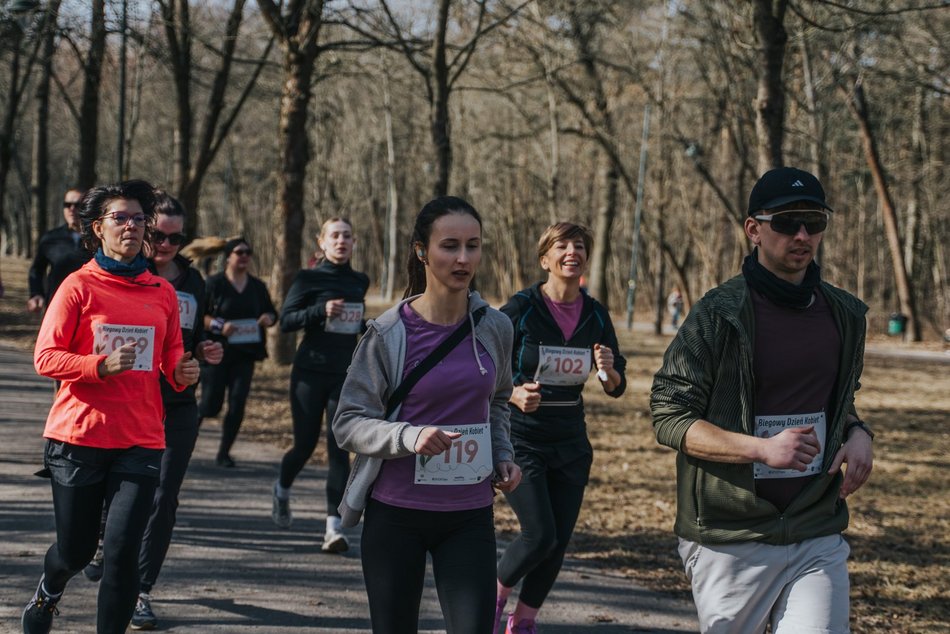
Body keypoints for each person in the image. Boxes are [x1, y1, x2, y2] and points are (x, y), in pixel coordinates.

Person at [650, 166, 874, 634]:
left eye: (814, 222)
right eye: (788, 221)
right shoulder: (718, 314)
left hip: (815, 526)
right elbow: (669, 415)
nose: (802, 234)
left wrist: (857, 432)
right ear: (754, 229)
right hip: (732, 534)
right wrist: (762, 449)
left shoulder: (845, 314)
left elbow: (840, 401)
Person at [333, 196, 522, 634]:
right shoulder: (388, 334)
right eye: (449, 246)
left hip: (470, 514)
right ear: (422, 251)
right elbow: (348, 422)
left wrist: (502, 455)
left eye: (472, 246)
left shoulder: (496, 328)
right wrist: (408, 437)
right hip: (397, 514)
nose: (462, 258)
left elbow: (498, 400)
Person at [21, 180, 200, 634]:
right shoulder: (77, 286)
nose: (132, 227)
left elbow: (172, 360)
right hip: (80, 435)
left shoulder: (161, 292)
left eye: (139, 219)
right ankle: (48, 591)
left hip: (140, 438)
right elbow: (46, 357)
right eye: (120, 218)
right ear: (97, 228)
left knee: (121, 554)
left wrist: (184, 371)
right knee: (77, 551)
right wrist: (99, 365)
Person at [494, 222, 627, 634]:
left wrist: (607, 372)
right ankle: (489, 605)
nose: (573, 251)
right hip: (522, 438)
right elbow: (481, 363)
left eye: (581, 245)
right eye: (562, 245)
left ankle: (524, 622)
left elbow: (616, 384)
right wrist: (512, 393)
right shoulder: (521, 308)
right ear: (545, 259)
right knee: (539, 534)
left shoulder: (595, 313)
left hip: (571, 441)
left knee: (557, 542)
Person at [128, 193, 224, 630]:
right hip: (129, 400)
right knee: (122, 495)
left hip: (179, 399)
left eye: (176, 237)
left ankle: (140, 589)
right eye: (159, 234)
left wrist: (205, 351)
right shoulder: (127, 276)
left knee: (163, 496)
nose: (166, 244)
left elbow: (191, 338)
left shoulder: (194, 282)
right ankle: (101, 543)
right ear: (145, 229)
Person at [271, 218, 370, 554]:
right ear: (323, 242)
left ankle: (333, 528)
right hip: (309, 373)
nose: (341, 241)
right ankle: (282, 489)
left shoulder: (359, 281)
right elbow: (286, 321)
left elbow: (355, 324)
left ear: (353, 242)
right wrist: (320, 310)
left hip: (344, 375)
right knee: (303, 446)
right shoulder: (308, 277)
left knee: (339, 449)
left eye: (347, 235)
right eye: (335, 235)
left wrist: (368, 329)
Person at [199, 237, 277, 467]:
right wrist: (219, 326)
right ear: (228, 256)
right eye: (239, 252)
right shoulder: (214, 284)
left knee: (237, 403)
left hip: (245, 355)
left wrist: (268, 318)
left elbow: (272, 313)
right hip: (216, 353)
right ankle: (185, 441)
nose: (244, 256)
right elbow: (198, 316)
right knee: (210, 405)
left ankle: (224, 453)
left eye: (248, 252)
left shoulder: (257, 286)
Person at [27, 188, 92, 312]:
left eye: (78, 205)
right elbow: (37, 269)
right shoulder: (51, 238)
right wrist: (36, 293)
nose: (72, 209)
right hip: (57, 306)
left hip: (91, 307)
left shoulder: (99, 239)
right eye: (67, 205)